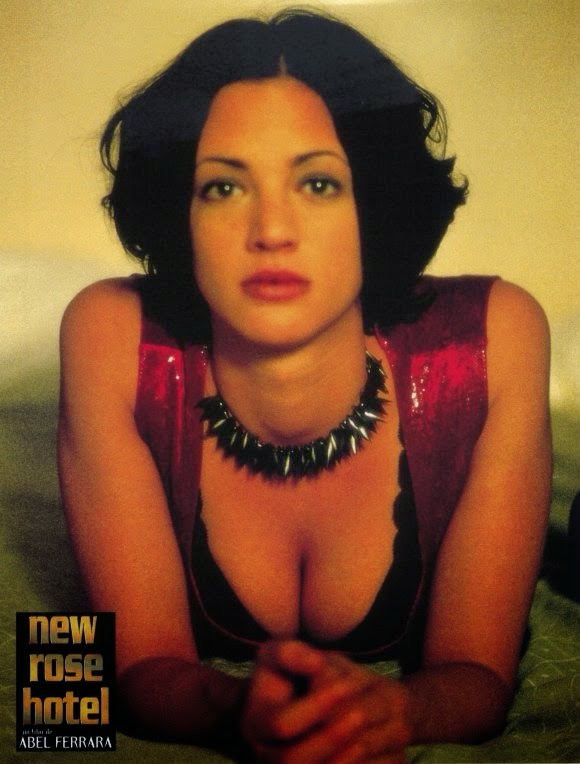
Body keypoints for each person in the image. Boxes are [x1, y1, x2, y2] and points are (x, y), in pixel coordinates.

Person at [58, 8, 551, 762]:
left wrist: (399, 711)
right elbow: (129, 671)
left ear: (375, 202)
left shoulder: (494, 338)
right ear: (177, 211)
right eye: (223, 188)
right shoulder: (110, 334)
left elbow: (478, 677)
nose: (272, 230)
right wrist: (235, 707)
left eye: (318, 183)